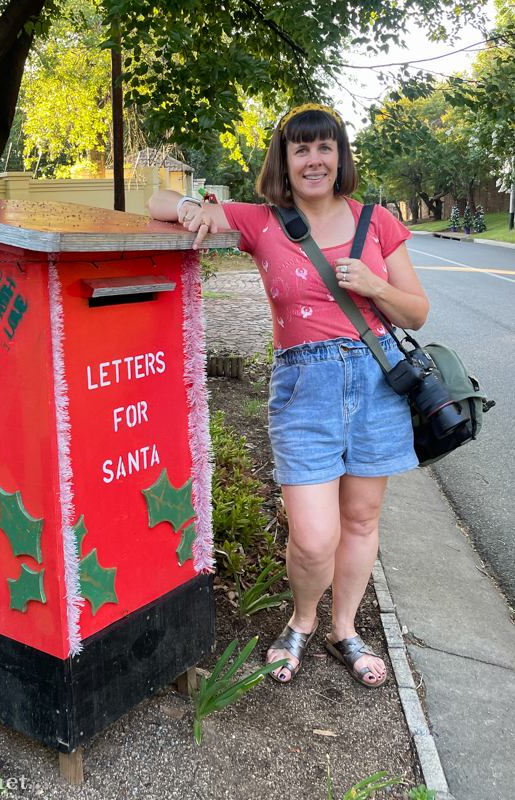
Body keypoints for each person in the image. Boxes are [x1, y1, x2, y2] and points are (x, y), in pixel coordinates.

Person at [147, 103, 429, 688]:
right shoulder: (261, 221)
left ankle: (343, 629)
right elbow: (152, 205)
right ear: (285, 160)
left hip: (377, 383)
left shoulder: (377, 223)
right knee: (313, 536)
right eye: (301, 149)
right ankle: (301, 620)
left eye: (324, 147)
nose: (314, 159)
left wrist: (375, 285)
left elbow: (418, 312)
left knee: (361, 517)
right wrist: (190, 207)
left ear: (339, 156)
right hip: (305, 387)